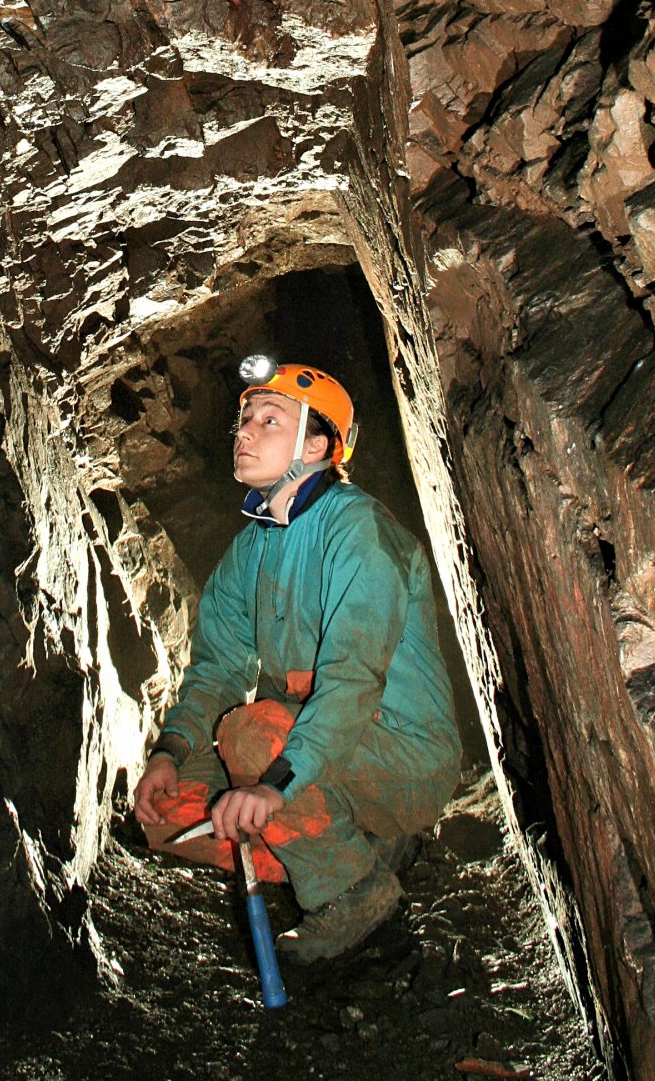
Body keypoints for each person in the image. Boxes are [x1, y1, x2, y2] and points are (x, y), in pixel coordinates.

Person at [133, 356, 462, 962]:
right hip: (316, 749)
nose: (245, 432)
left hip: (401, 756)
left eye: (269, 420)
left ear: (316, 445)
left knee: (253, 737)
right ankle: (351, 846)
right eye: (244, 420)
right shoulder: (251, 548)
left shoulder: (358, 531)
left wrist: (276, 786)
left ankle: (351, 891)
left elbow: (352, 680)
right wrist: (169, 750)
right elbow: (217, 669)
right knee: (170, 808)